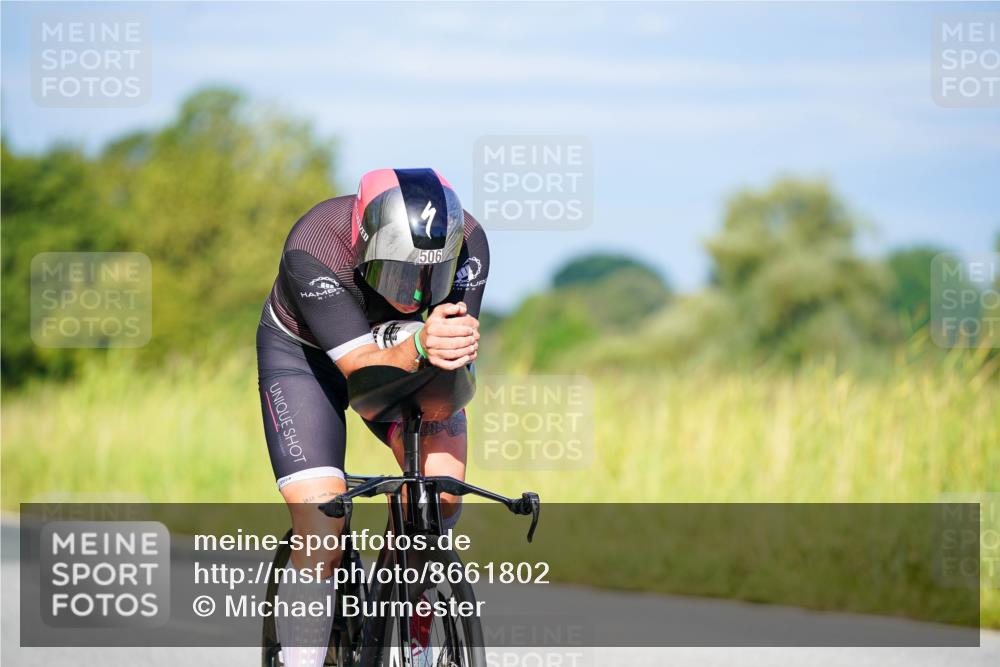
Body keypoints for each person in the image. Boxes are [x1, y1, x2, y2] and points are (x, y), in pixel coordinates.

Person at [256, 168, 488, 667]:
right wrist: (422, 342)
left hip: (408, 350)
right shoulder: (314, 245)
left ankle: (401, 620)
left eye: (429, 276)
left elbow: (451, 367)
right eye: (397, 273)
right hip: (306, 359)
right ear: (363, 244)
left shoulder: (469, 242)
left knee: (440, 496)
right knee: (321, 525)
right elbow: (361, 369)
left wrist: (439, 348)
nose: (414, 292)